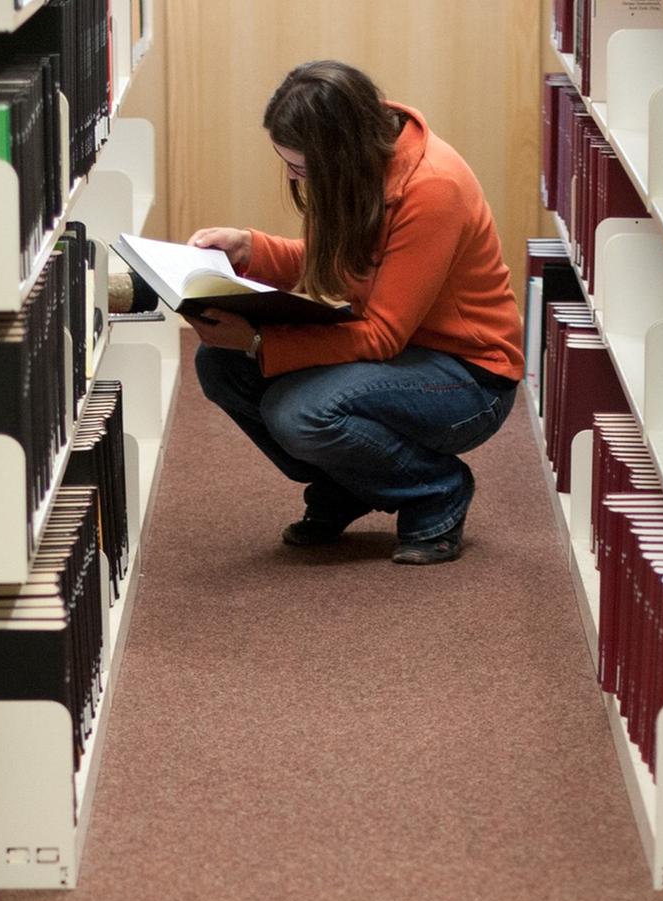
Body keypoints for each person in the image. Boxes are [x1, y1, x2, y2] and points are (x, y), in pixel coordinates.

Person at [185, 60, 524, 565]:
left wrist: (260, 342)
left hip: (470, 377)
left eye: (300, 169)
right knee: (221, 367)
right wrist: (247, 249)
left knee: (299, 412)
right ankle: (349, 482)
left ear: (337, 153)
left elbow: (382, 335)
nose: (292, 178)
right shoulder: (366, 156)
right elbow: (336, 261)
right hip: (403, 354)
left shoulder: (433, 187)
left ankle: (437, 492)